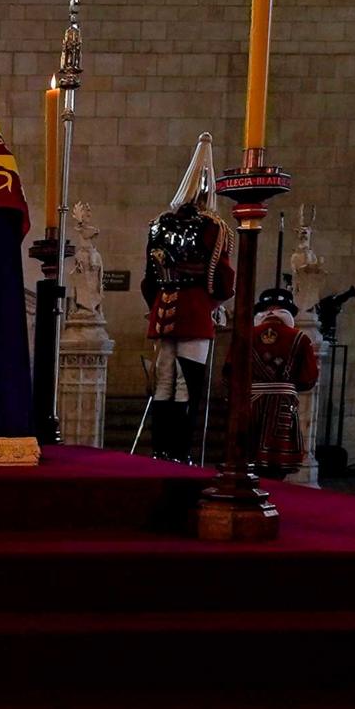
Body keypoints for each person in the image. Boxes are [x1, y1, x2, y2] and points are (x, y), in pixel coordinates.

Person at [140, 133, 228, 462]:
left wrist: (156, 308)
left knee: (163, 382)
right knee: (186, 386)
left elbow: (148, 281)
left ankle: (161, 449)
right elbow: (223, 280)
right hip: (193, 311)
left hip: (163, 311)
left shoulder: (157, 226)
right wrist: (215, 306)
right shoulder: (213, 227)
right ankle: (180, 452)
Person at [242, 285, 321, 484]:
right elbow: (309, 378)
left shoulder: (246, 336)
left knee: (248, 457)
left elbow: (229, 374)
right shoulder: (300, 338)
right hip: (282, 407)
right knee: (277, 465)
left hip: (250, 405)